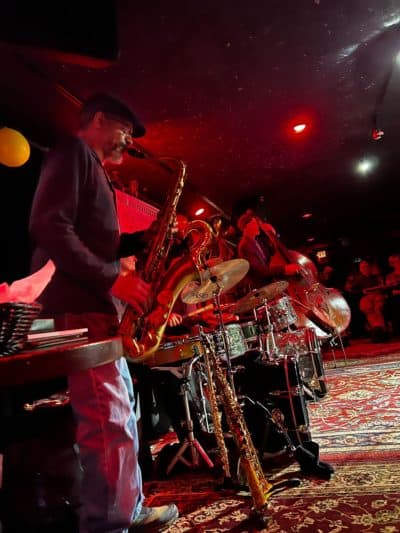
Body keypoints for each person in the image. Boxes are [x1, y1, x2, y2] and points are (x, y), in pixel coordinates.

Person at [29, 93, 179, 532]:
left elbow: (90, 239)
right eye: (124, 132)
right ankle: (109, 522)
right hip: (80, 309)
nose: (126, 143)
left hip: (93, 308)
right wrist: (112, 277)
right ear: (97, 119)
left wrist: (150, 238)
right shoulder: (72, 150)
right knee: (107, 418)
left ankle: (124, 508)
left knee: (119, 412)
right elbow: (48, 225)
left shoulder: (91, 167)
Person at [236, 209, 302, 293]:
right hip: (261, 288)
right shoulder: (244, 245)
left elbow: (273, 254)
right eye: (254, 224)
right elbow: (260, 271)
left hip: (270, 284)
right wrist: (283, 269)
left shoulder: (257, 241)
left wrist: (272, 234)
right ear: (246, 227)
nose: (258, 226)